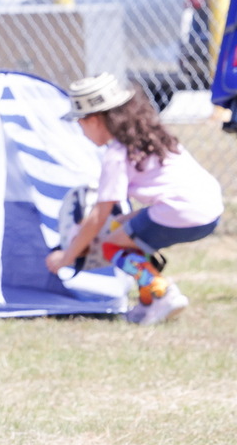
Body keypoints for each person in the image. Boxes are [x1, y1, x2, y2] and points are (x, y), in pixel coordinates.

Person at [46, 73, 224, 326]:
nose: (81, 130)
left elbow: (98, 216)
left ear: (94, 119)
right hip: (210, 210)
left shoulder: (117, 155)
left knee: (111, 246)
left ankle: (161, 291)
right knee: (130, 236)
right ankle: (146, 304)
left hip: (179, 211)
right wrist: (124, 220)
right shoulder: (153, 137)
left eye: (80, 122)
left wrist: (67, 257)